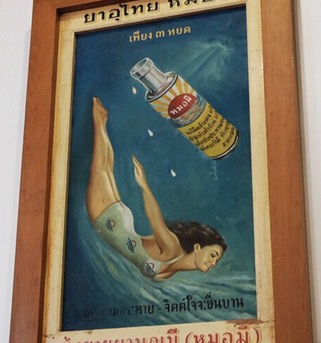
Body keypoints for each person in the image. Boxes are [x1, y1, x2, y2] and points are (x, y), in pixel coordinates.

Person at [85, 96, 227, 281]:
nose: (214, 262)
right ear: (198, 247)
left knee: (105, 168)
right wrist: (144, 185)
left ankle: (101, 120)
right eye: (213, 255)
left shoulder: (175, 267)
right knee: (102, 167)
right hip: (104, 218)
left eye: (217, 259)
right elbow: (154, 218)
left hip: (118, 223)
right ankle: (99, 118)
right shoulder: (172, 249)